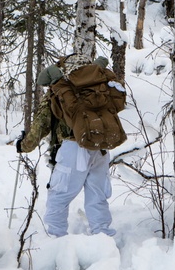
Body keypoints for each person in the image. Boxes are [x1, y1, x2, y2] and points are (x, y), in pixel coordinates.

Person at [16, 54, 118, 238]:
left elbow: (41, 125)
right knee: (97, 197)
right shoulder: (95, 86)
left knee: (59, 196)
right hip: (100, 147)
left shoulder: (60, 89)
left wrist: (24, 145)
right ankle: (104, 239)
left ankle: (55, 239)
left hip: (73, 148)